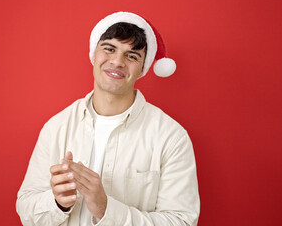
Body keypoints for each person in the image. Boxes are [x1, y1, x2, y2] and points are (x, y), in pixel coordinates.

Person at [16, 12, 200, 226]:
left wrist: (106, 209)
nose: (117, 61)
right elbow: (26, 207)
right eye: (109, 49)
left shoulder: (171, 137)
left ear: (142, 69)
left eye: (131, 56)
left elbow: (182, 221)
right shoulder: (57, 126)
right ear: (94, 54)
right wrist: (58, 203)